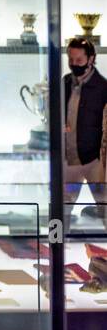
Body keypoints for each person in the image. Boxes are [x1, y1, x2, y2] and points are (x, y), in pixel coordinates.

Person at [63, 36, 107, 216]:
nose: (75, 64)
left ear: (91, 59)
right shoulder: (64, 83)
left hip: (94, 161)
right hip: (68, 160)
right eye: (71, 60)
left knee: (104, 208)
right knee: (60, 211)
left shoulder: (103, 87)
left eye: (79, 60)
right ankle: (56, 243)